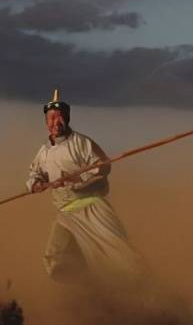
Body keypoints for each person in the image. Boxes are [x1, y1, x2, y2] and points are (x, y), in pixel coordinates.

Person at [27, 89, 145, 284]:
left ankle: (147, 291)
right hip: (65, 211)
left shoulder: (82, 143)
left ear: (67, 119)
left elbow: (102, 167)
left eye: (60, 117)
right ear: (46, 122)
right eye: (51, 118)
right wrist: (36, 184)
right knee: (55, 258)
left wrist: (77, 180)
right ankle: (83, 293)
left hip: (92, 207)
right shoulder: (44, 151)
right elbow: (34, 173)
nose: (56, 122)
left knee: (122, 257)